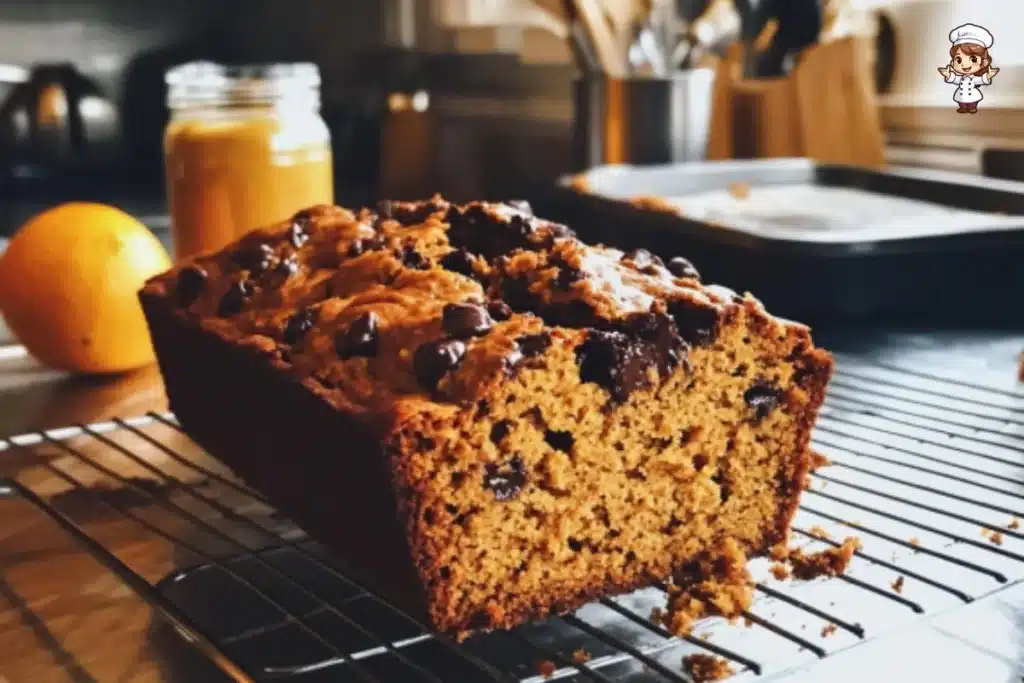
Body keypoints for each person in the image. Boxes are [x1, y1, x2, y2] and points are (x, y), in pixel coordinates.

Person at [939, 23, 1000, 113]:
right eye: (959, 60)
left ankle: (972, 107)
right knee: (961, 101)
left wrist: (988, 76)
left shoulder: (974, 79)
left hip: (972, 95)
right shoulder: (961, 78)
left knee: (972, 102)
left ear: (984, 62)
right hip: (961, 95)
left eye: (973, 59)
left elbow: (980, 80)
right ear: (953, 62)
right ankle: (963, 107)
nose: (965, 65)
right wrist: (948, 75)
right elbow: (955, 79)